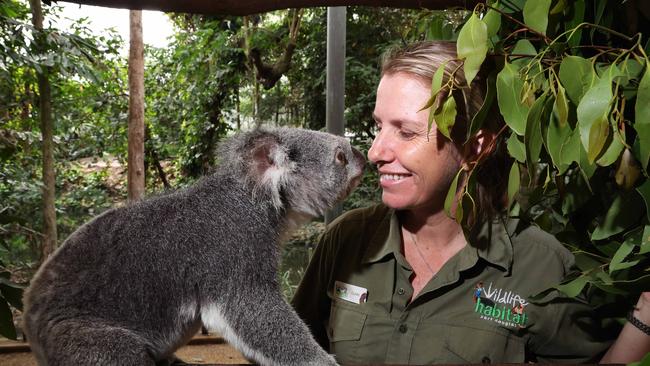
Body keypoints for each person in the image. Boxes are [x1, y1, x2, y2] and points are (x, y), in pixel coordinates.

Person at [291, 40, 650, 364]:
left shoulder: (539, 266)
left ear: (476, 147)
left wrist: (642, 322)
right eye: (378, 126)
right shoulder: (346, 241)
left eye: (406, 132)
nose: (374, 152)